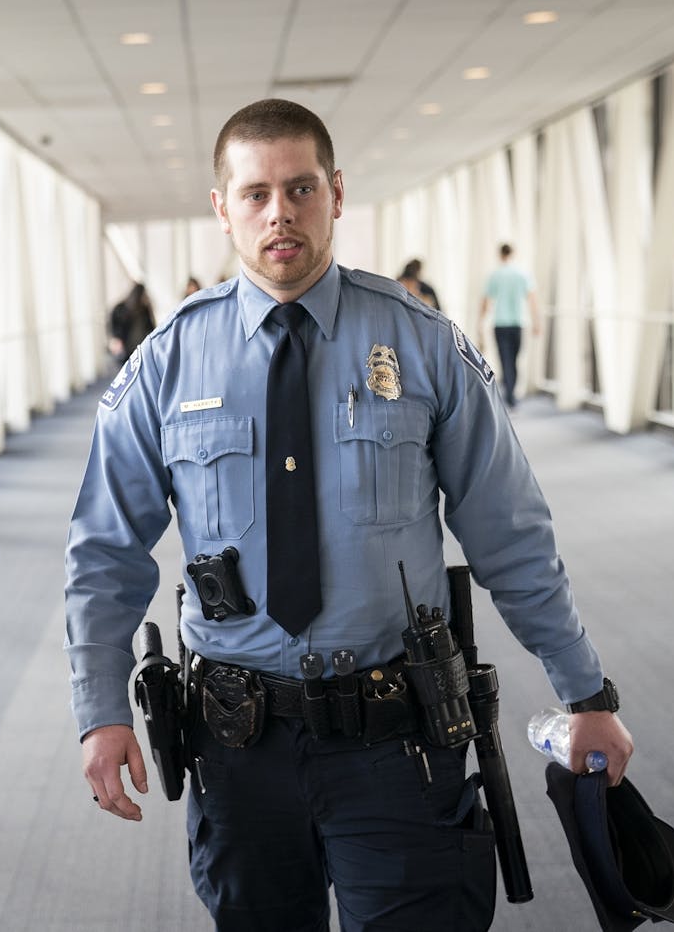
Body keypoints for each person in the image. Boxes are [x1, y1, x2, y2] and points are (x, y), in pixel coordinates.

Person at [64, 99, 632, 931]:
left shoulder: (425, 344)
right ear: (222, 208)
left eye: (299, 188)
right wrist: (100, 708)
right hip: (238, 748)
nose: (279, 213)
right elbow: (106, 550)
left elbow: (509, 531)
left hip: (396, 746)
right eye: (255, 193)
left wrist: (586, 688)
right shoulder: (166, 364)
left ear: (336, 193)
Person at [477, 243, 539, 408]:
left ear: (500, 255)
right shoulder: (523, 274)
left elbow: (486, 301)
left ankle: (509, 392)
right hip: (518, 323)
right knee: (514, 358)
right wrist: (536, 323)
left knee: (505, 358)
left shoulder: (495, 275)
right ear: (513, 253)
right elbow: (532, 300)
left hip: (500, 323)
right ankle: (511, 393)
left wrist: (481, 322)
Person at [106, 281, 157, 365]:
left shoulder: (144, 309)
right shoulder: (120, 309)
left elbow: (150, 326)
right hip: (126, 348)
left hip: (141, 347)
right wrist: (115, 338)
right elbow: (113, 327)